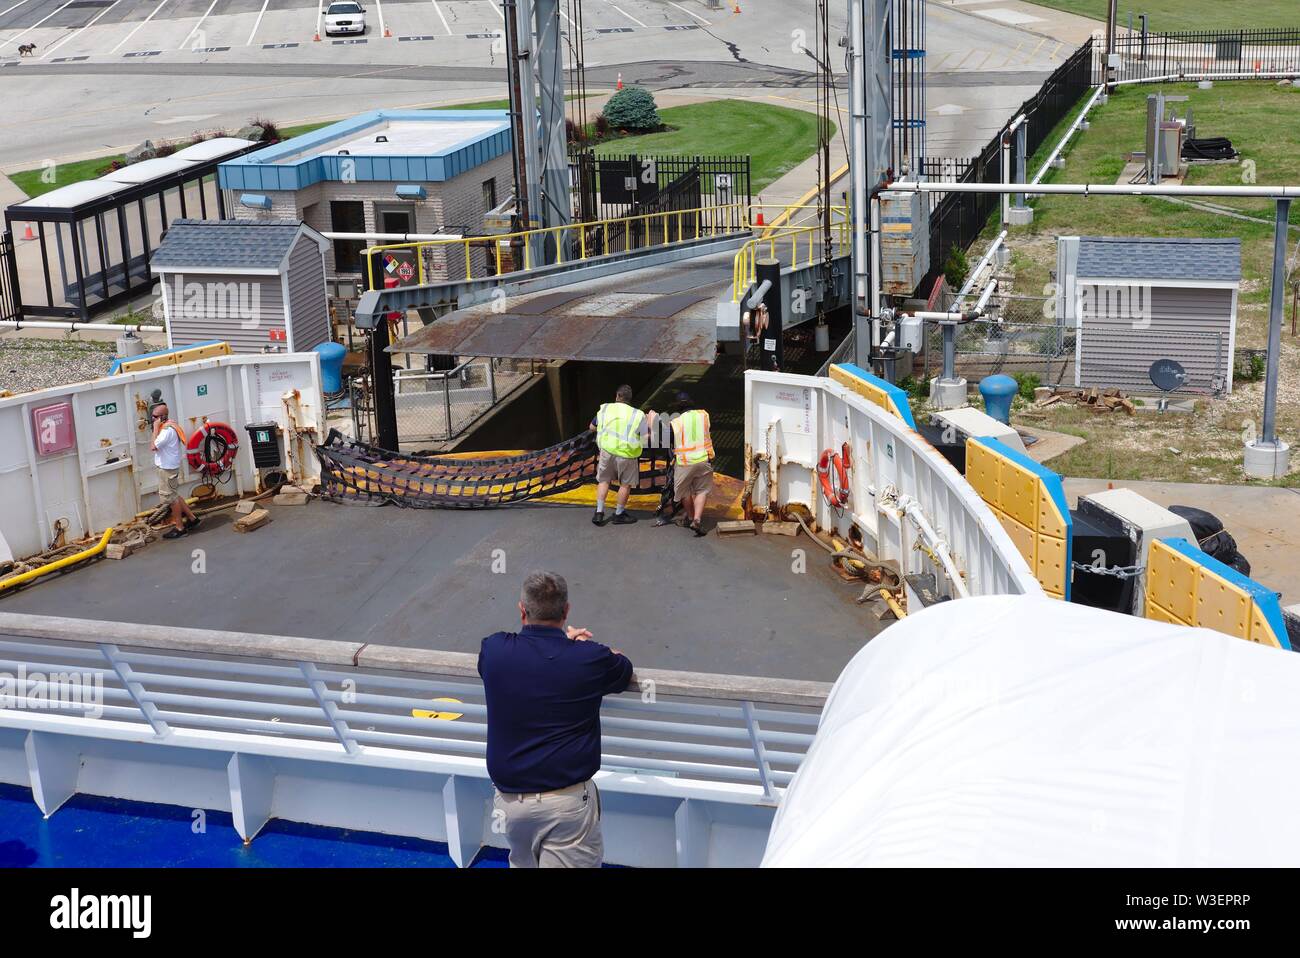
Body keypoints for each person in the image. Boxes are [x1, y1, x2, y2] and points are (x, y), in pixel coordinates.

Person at [478, 571, 633, 868]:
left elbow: (523, 655)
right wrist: (577, 647)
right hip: (567, 803)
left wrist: (562, 645)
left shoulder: (495, 650)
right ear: (566, 611)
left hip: (511, 805)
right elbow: (622, 668)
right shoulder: (590, 659)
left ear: (522, 610)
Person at [589, 384, 651, 526]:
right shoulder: (638, 415)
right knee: (625, 484)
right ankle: (619, 513)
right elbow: (645, 437)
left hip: (607, 451)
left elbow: (592, 427)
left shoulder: (605, 408)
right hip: (627, 454)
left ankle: (599, 512)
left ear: (617, 396)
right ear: (630, 399)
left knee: (604, 480)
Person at [659, 393, 714, 537]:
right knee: (701, 490)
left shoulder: (675, 422)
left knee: (684, 492)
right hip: (703, 459)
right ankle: (697, 519)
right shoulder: (704, 415)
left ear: (678, 408)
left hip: (684, 462)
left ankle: (690, 517)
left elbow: (667, 440)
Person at [150, 403, 199, 540]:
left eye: (154, 417)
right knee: (174, 494)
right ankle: (192, 518)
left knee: (171, 499)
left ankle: (180, 528)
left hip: (167, 469)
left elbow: (153, 446)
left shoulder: (166, 431)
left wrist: (154, 429)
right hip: (169, 466)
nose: (152, 419)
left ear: (162, 417)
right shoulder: (169, 426)